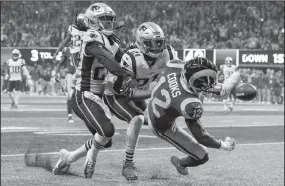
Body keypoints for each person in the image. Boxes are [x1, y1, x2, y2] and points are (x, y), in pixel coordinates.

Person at [53, 3, 133, 179]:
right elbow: (107, 61)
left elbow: (123, 61)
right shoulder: (91, 39)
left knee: (106, 140)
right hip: (83, 96)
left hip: (97, 97)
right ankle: (91, 157)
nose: (109, 23)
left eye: (111, 20)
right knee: (107, 130)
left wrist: (134, 58)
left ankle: (69, 157)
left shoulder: (112, 41)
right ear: (93, 22)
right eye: (105, 20)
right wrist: (124, 74)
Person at [103, 22, 178, 180]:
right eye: (152, 43)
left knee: (156, 118)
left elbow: (178, 75)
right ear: (142, 43)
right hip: (116, 93)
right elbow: (127, 92)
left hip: (140, 91)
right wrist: (154, 91)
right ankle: (128, 164)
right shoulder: (131, 57)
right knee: (137, 118)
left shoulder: (168, 52)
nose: (158, 47)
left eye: (160, 42)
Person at [147, 57, 236, 175]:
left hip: (155, 105)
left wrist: (214, 88)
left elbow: (191, 82)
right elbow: (201, 137)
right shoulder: (189, 104)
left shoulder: (175, 65)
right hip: (161, 126)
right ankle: (180, 164)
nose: (211, 85)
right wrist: (224, 145)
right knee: (202, 156)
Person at [53, 13, 87, 123]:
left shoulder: (89, 31)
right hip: (72, 70)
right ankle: (70, 116)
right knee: (70, 95)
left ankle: (87, 114)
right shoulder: (69, 47)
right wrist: (58, 50)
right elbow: (65, 41)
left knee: (86, 95)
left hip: (83, 67)